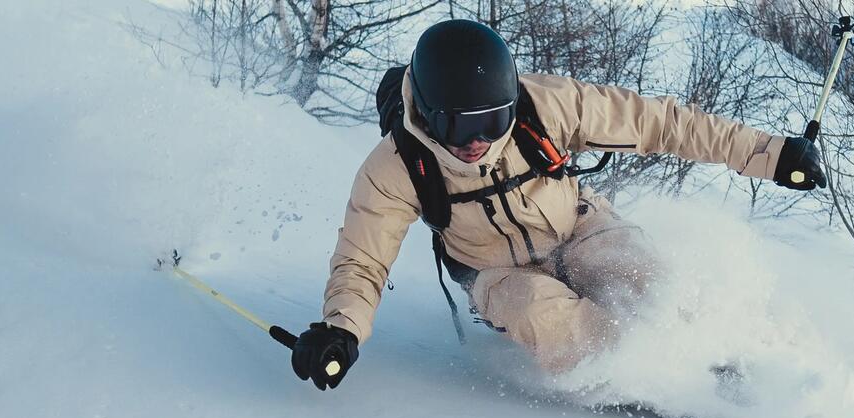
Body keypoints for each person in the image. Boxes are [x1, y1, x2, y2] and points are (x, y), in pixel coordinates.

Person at [290, 19, 826, 390]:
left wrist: (771, 156)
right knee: (541, 313)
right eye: (460, 125)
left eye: (492, 121)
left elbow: (659, 123)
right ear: (429, 116)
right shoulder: (395, 167)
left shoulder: (543, 106)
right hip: (494, 270)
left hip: (575, 226)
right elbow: (362, 261)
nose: (478, 140)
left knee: (645, 279)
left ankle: (728, 358)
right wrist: (341, 329)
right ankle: (650, 377)